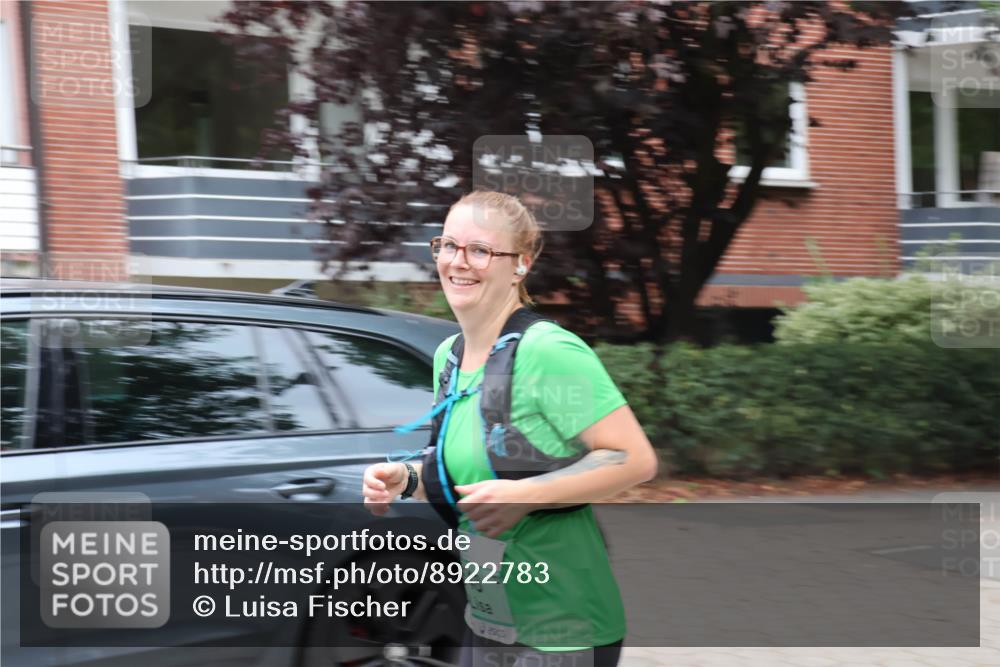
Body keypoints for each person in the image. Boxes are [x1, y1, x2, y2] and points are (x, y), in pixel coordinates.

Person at [362, 190, 657, 667]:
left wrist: (526, 495)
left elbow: (633, 459)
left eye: (480, 250)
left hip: (563, 627)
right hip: (489, 623)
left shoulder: (548, 352)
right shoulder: (450, 356)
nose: (458, 261)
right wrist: (407, 478)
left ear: (520, 264)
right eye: (448, 245)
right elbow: (468, 473)